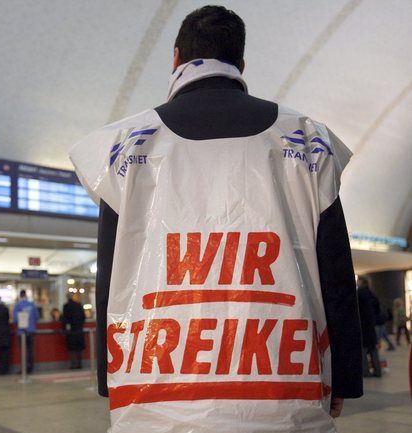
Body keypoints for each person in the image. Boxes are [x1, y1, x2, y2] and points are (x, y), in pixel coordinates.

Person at [70, 5, 362, 432]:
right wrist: (346, 378)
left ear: (175, 58)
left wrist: (107, 380)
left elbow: (112, 273)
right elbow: (335, 268)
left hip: (155, 393)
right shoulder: (306, 138)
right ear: (241, 64)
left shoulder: (125, 145)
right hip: (284, 391)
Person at [357, 279, 382, 377]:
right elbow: (377, 310)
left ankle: (365, 371)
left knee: (363, 350)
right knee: (373, 350)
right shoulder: (372, 295)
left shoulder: (359, 294)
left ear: (361, 283)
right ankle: (378, 371)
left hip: (362, 326)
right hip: (371, 326)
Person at [13, 289, 39, 374]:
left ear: (20, 296)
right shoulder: (32, 304)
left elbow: (15, 319)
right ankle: (30, 368)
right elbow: (36, 317)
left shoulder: (18, 305)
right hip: (31, 331)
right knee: (30, 350)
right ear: (26, 295)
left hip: (22, 332)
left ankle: (24, 369)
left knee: (23, 351)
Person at [61, 293, 86, 369]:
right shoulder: (78, 305)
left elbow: (64, 319)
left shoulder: (66, 306)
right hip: (79, 329)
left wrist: (64, 330)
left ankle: (73, 364)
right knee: (80, 347)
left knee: (71, 348)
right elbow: (83, 317)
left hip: (71, 330)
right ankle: (80, 363)